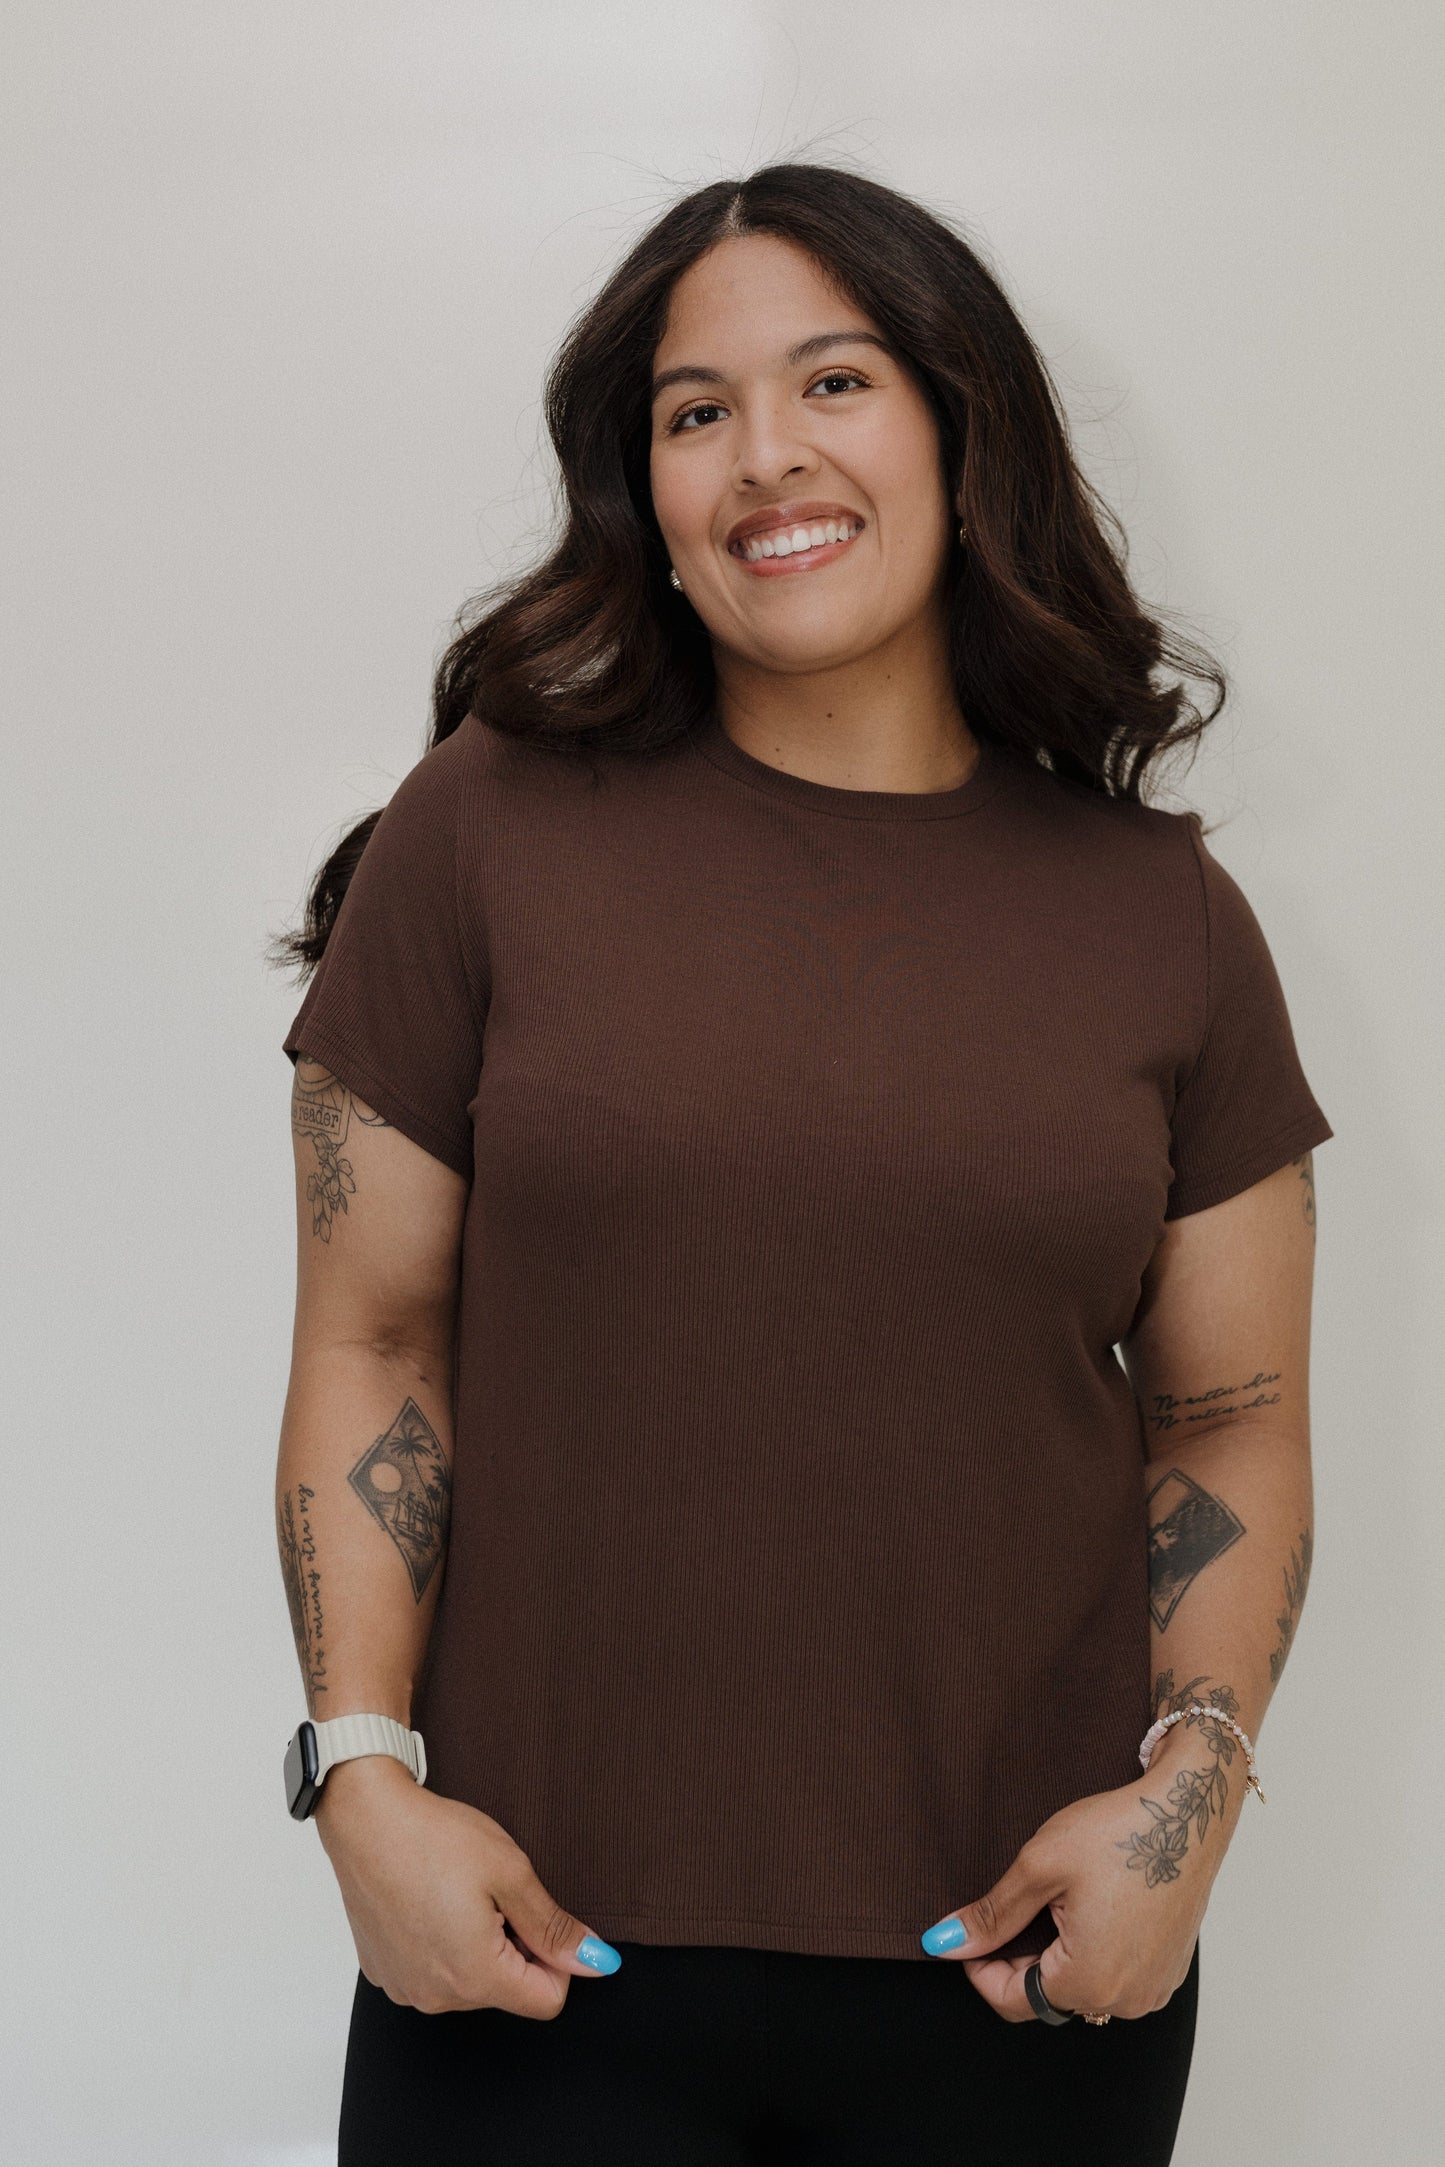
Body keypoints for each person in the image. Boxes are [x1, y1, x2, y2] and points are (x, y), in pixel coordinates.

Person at [271, 163, 1332, 2165]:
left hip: (1022, 1972)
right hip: (526, 1966)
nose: (767, 455)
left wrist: (1184, 1809)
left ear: (957, 427)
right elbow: (374, 1340)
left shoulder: (1169, 922)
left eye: (833, 381)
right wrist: (360, 1781)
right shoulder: (481, 832)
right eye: (694, 412)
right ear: (646, 494)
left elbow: (1235, 1420)